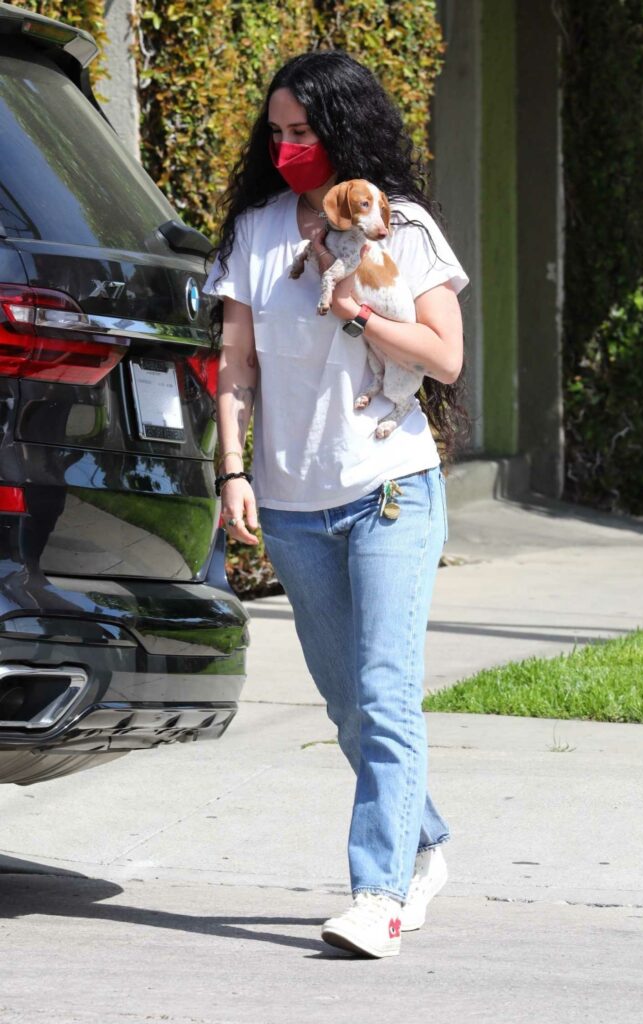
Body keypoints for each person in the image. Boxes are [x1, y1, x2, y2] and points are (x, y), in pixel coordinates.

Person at [204, 50, 469, 959]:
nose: (286, 149)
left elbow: (444, 357)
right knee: (345, 704)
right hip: (289, 500)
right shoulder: (255, 230)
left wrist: (355, 312)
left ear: (342, 130)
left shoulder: (405, 230)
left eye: (302, 133)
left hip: (389, 487)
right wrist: (231, 472)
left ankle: (376, 897)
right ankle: (423, 840)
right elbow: (234, 365)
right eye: (275, 133)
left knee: (385, 694)